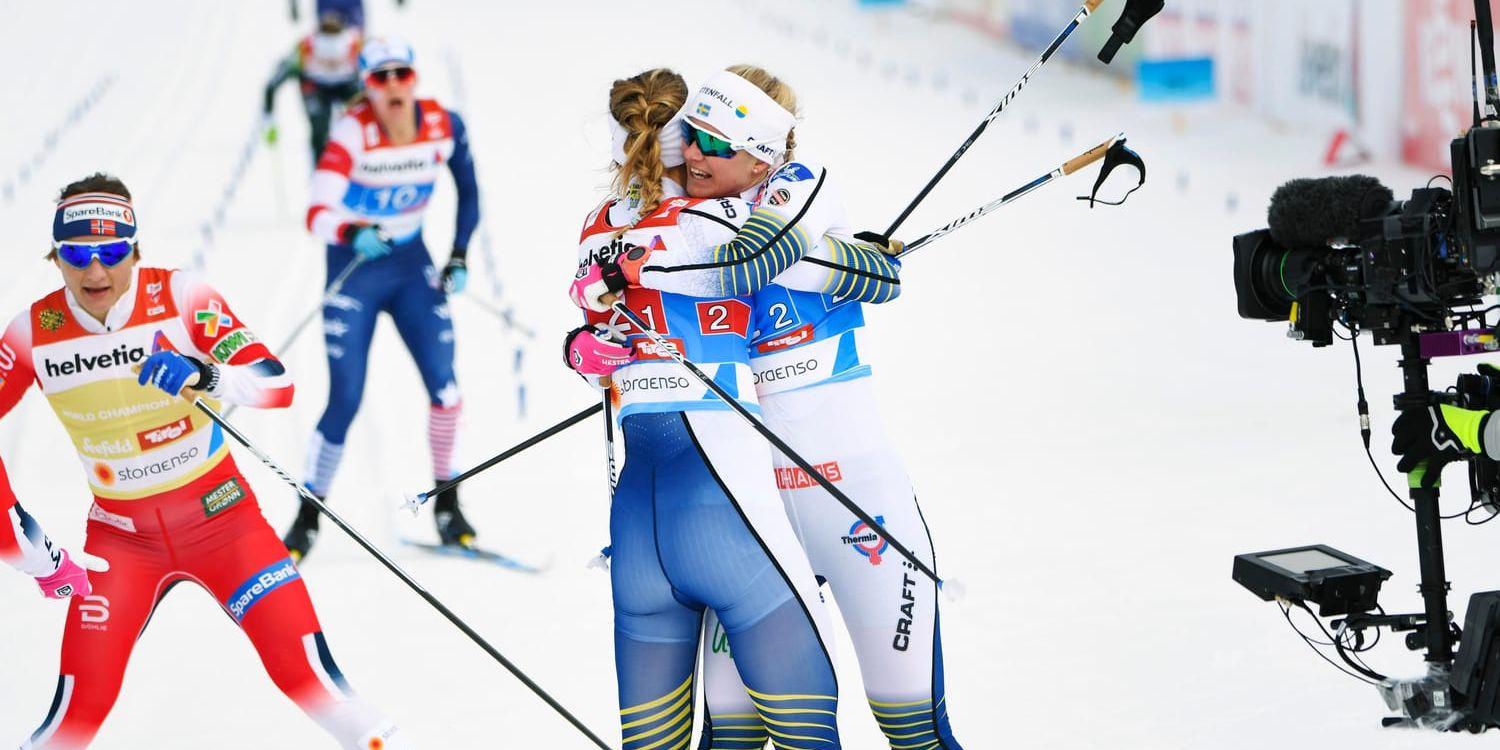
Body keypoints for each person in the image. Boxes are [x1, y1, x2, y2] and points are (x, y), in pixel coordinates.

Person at [575, 66, 962, 749]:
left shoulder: (797, 201)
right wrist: (593, 338)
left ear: (766, 150)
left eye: (714, 142)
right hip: (755, 508)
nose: (695, 153)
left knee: (914, 732)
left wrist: (847, 258)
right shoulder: (707, 222)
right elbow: (615, 312)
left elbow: (880, 278)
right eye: (690, 135)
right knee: (735, 737)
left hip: (856, 506)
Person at [0, 173, 406, 749]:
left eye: (112, 252)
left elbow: (278, 382)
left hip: (226, 523)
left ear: (134, 248)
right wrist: (26, 548)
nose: (95, 272)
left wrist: (204, 374)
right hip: (122, 544)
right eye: (76, 255)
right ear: (56, 255)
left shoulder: (181, 297)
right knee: (74, 720)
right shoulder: (31, 334)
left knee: (318, 687)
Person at [564, 68, 843, 749]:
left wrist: (583, 347)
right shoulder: (729, 212)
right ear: (682, 137)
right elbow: (789, 252)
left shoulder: (599, 227)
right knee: (808, 732)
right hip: (720, 493)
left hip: (638, 522)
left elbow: (586, 338)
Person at [286, 36, 480, 561]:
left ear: (413, 77)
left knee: (446, 388)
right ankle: (307, 516)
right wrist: (352, 232)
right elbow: (316, 211)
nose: (392, 85)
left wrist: (459, 255)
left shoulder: (444, 125)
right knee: (345, 398)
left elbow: (469, 190)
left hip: (411, 268)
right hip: (355, 272)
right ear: (366, 87)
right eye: (379, 77)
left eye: (401, 74)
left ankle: (448, 505)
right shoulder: (352, 133)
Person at [262, 10, 364, 162]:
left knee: (359, 123)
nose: (331, 63)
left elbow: (272, 85)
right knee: (319, 130)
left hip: (346, 85)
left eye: (335, 60)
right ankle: (320, 168)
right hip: (315, 87)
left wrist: (269, 118)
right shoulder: (306, 47)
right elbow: (273, 83)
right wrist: (269, 120)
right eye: (325, 60)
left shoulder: (354, 44)